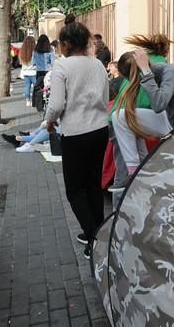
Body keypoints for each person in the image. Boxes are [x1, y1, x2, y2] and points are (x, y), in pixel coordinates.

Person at [45, 21, 109, 259]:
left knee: (74, 190)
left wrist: (49, 121)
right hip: (100, 129)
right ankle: (98, 232)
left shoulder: (62, 66)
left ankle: (93, 237)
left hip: (76, 132)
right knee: (93, 184)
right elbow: (104, 97)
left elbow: (57, 104)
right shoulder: (98, 65)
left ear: (67, 44)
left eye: (61, 43)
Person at [111, 47, 174, 178]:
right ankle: (136, 169)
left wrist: (146, 72)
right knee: (120, 117)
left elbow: (159, 104)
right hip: (169, 120)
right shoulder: (155, 73)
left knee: (123, 117)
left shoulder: (170, 72)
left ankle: (137, 171)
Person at [18, 36, 36, 107]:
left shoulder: (21, 51)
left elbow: (20, 62)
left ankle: (28, 101)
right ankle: (35, 100)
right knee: (36, 87)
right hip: (33, 72)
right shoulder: (34, 51)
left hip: (25, 72)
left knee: (27, 86)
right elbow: (35, 62)